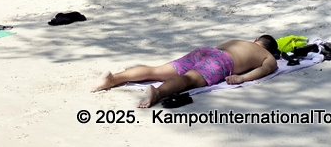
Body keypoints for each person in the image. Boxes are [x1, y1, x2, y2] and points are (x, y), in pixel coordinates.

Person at [91, 36, 280, 108]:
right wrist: (241, 77)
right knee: (188, 80)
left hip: (207, 51)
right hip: (221, 61)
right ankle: (158, 92)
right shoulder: (268, 56)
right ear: (269, 49)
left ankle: (113, 78)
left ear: (255, 39)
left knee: (158, 70)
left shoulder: (239, 40)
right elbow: (264, 70)